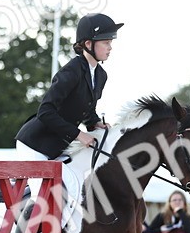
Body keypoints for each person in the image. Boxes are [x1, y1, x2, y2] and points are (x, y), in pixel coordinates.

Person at [15, 13, 119, 161]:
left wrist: (95, 123)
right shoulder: (72, 70)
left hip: (59, 147)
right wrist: (78, 134)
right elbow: (45, 111)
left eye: (111, 43)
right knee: (50, 185)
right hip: (36, 144)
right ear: (88, 44)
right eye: (106, 42)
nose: (110, 48)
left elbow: (87, 109)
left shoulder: (101, 75)